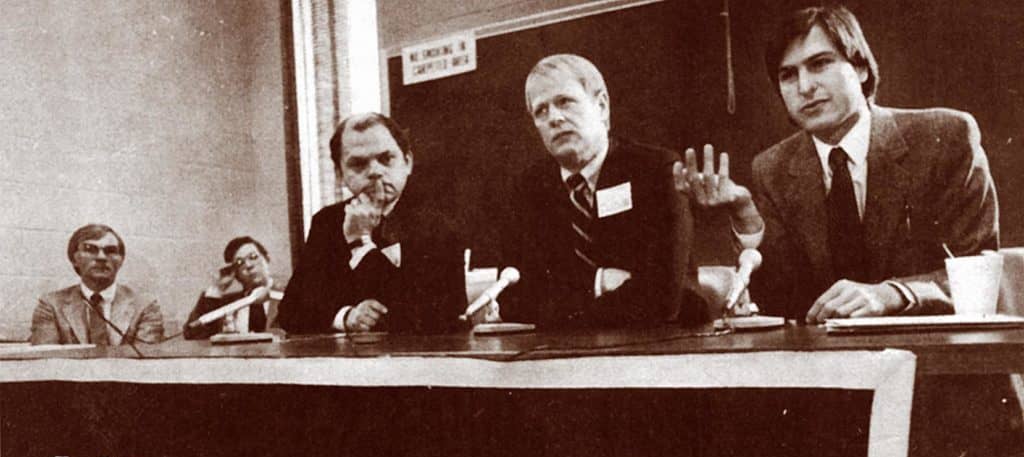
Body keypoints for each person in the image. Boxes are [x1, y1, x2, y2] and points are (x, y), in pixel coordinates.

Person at [676, 6, 1019, 457]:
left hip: (945, 399)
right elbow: (789, 299)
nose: (803, 87)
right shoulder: (774, 168)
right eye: (787, 75)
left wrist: (892, 292)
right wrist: (744, 221)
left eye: (819, 65)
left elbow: (978, 266)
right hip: (843, 405)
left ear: (860, 66)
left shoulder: (942, 134)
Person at [497, 54, 707, 328]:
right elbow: (513, 302)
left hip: (665, 345)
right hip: (569, 355)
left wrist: (563, 304)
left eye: (565, 102)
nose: (555, 118)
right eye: (541, 111)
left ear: (601, 106)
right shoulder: (528, 190)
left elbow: (662, 297)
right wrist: (600, 281)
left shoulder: (656, 170)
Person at [277, 113, 466, 334]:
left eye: (386, 159)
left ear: (407, 162)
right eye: (358, 164)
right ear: (340, 174)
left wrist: (360, 244)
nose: (375, 171)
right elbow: (291, 311)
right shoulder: (327, 222)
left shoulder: (439, 221)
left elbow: (434, 314)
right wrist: (346, 317)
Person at [30, 223, 164, 345]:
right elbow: (45, 361)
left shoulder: (145, 305)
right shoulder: (51, 305)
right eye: (90, 249)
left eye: (110, 251)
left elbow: (147, 363)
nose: (101, 257)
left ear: (121, 260)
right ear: (74, 258)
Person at [184, 236, 281, 339]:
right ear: (235, 273)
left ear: (267, 259)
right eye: (240, 263)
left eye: (253, 257)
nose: (248, 265)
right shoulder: (228, 305)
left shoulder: (290, 296)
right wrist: (216, 289)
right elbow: (192, 334)